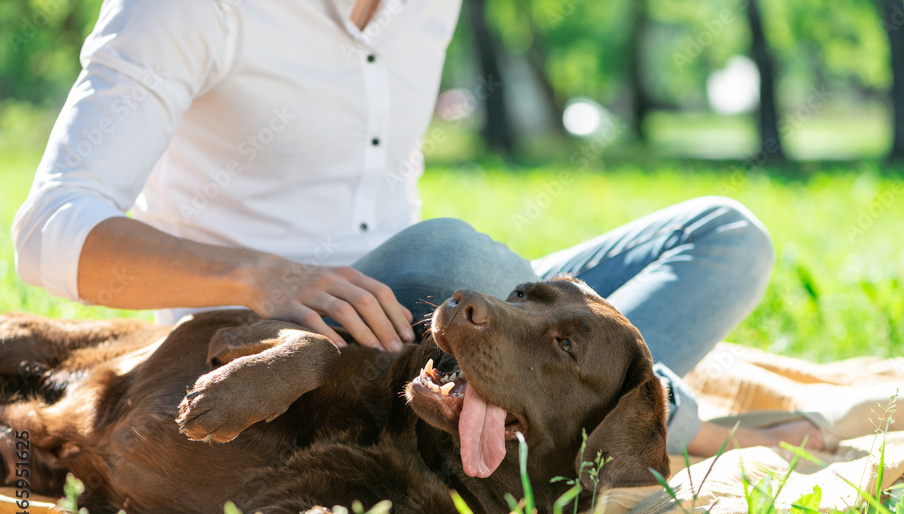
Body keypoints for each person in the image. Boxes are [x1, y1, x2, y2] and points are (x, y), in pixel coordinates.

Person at [12, 0, 822, 457]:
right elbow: (49, 230)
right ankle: (672, 421)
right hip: (279, 340)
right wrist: (264, 273)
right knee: (451, 249)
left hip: (424, 313)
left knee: (727, 234)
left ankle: (576, 393)